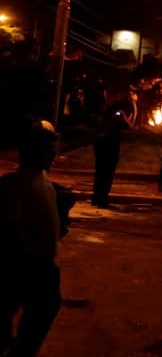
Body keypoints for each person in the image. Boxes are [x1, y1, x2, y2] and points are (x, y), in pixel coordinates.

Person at [0, 121, 69, 356]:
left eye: (53, 149)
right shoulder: (16, 184)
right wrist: (26, 257)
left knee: (40, 311)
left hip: (41, 264)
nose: (53, 155)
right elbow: (9, 227)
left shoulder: (43, 180)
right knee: (39, 310)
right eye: (48, 150)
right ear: (32, 151)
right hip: (28, 265)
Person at [90, 105, 132, 208]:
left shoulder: (100, 119)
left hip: (100, 146)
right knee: (107, 175)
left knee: (99, 173)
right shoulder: (116, 120)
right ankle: (102, 200)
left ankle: (96, 198)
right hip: (111, 147)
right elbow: (129, 126)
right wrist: (123, 115)